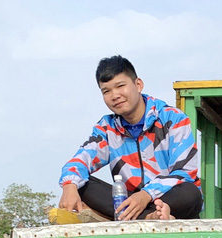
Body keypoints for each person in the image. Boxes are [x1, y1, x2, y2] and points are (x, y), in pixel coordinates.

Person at [59, 55, 203, 221]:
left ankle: (146, 215)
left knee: (191, 192)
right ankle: (149, 218)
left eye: (120, 86)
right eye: (106, 91)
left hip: (169, 200)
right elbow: (82, 158)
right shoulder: (107, 127)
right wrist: (69, 185)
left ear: (138, 85)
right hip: (129, 203)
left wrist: (146, 195)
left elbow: (185, 172)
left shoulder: (173, 119)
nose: (115, 95)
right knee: (81, 184)